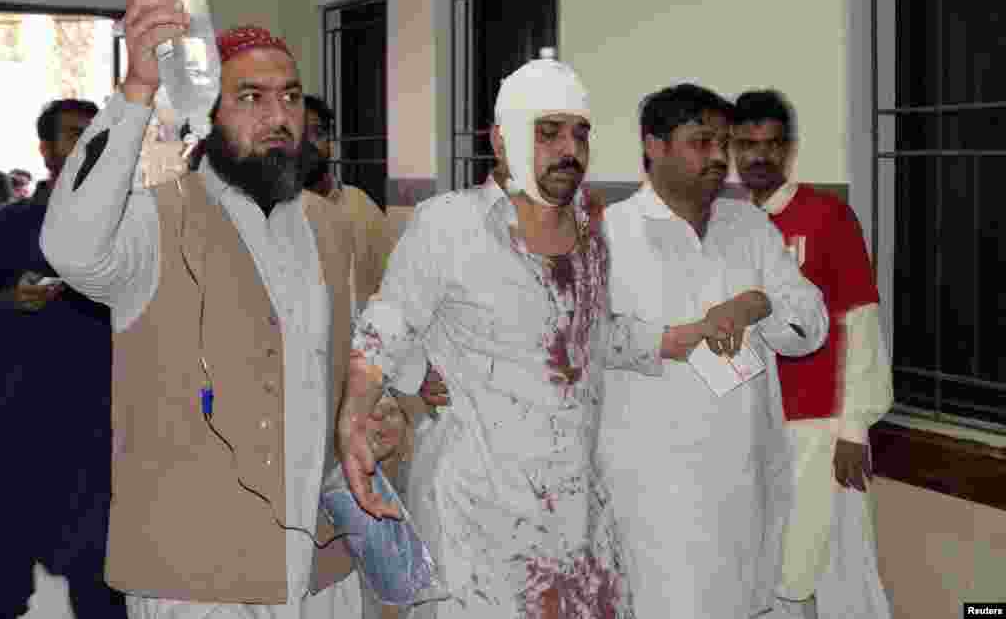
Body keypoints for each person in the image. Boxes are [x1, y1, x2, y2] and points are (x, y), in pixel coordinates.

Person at [40, 0, 380, 618]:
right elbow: (71, 248)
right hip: (194, 582)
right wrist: (137, 90)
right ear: (207, 114)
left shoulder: (331, 226)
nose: (277, 117)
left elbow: (347, 368)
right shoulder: (153, 223)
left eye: (288, 97)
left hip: (319, 571)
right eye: (248, 97)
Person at [338, 51, 670, 619]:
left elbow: (595, 337)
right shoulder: (450, 224)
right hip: (475, 526)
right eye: (548, 132)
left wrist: (691, 334)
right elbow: (384, 329)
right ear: (501, 139)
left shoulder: (593, 236)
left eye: (580, 134)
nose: (570, 149)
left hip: (577, 528)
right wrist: (354, 424)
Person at [598, 83, 829, 618]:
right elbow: (576, 339)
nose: (718, 157)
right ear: (653, 145)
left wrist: (757, 304)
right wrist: (665, 342)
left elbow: (811, 321)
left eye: (722, 142)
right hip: (651, 489)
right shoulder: (609, 236)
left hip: (744, 478)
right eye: (701, 141)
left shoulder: (748, 227)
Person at [731, 89, 893, 619]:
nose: (759, 156)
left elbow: (860, 322)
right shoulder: (730, 226)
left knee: (836, 569)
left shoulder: (828, 216)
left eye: (771, 145)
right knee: (772, 566)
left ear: (790, 150)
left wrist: (854, 429)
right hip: (758, 422)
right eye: (747, 144)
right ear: (732, 150)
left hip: (820, 425)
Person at [0, 99, 124, 619]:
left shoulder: (127, 228)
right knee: (0, 590)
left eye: (97, 134)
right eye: (74, 134)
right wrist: (7, 305)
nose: (89, 144)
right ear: (46, 150)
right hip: (19, 436)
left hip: (103, 443)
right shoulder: (7, 228)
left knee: (104, 589)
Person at [302, 94, 394, 311]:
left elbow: (395, 283)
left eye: (317, 133)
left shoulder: (360, 205)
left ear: (330, 143)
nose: (307, 143)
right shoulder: (269, 214)